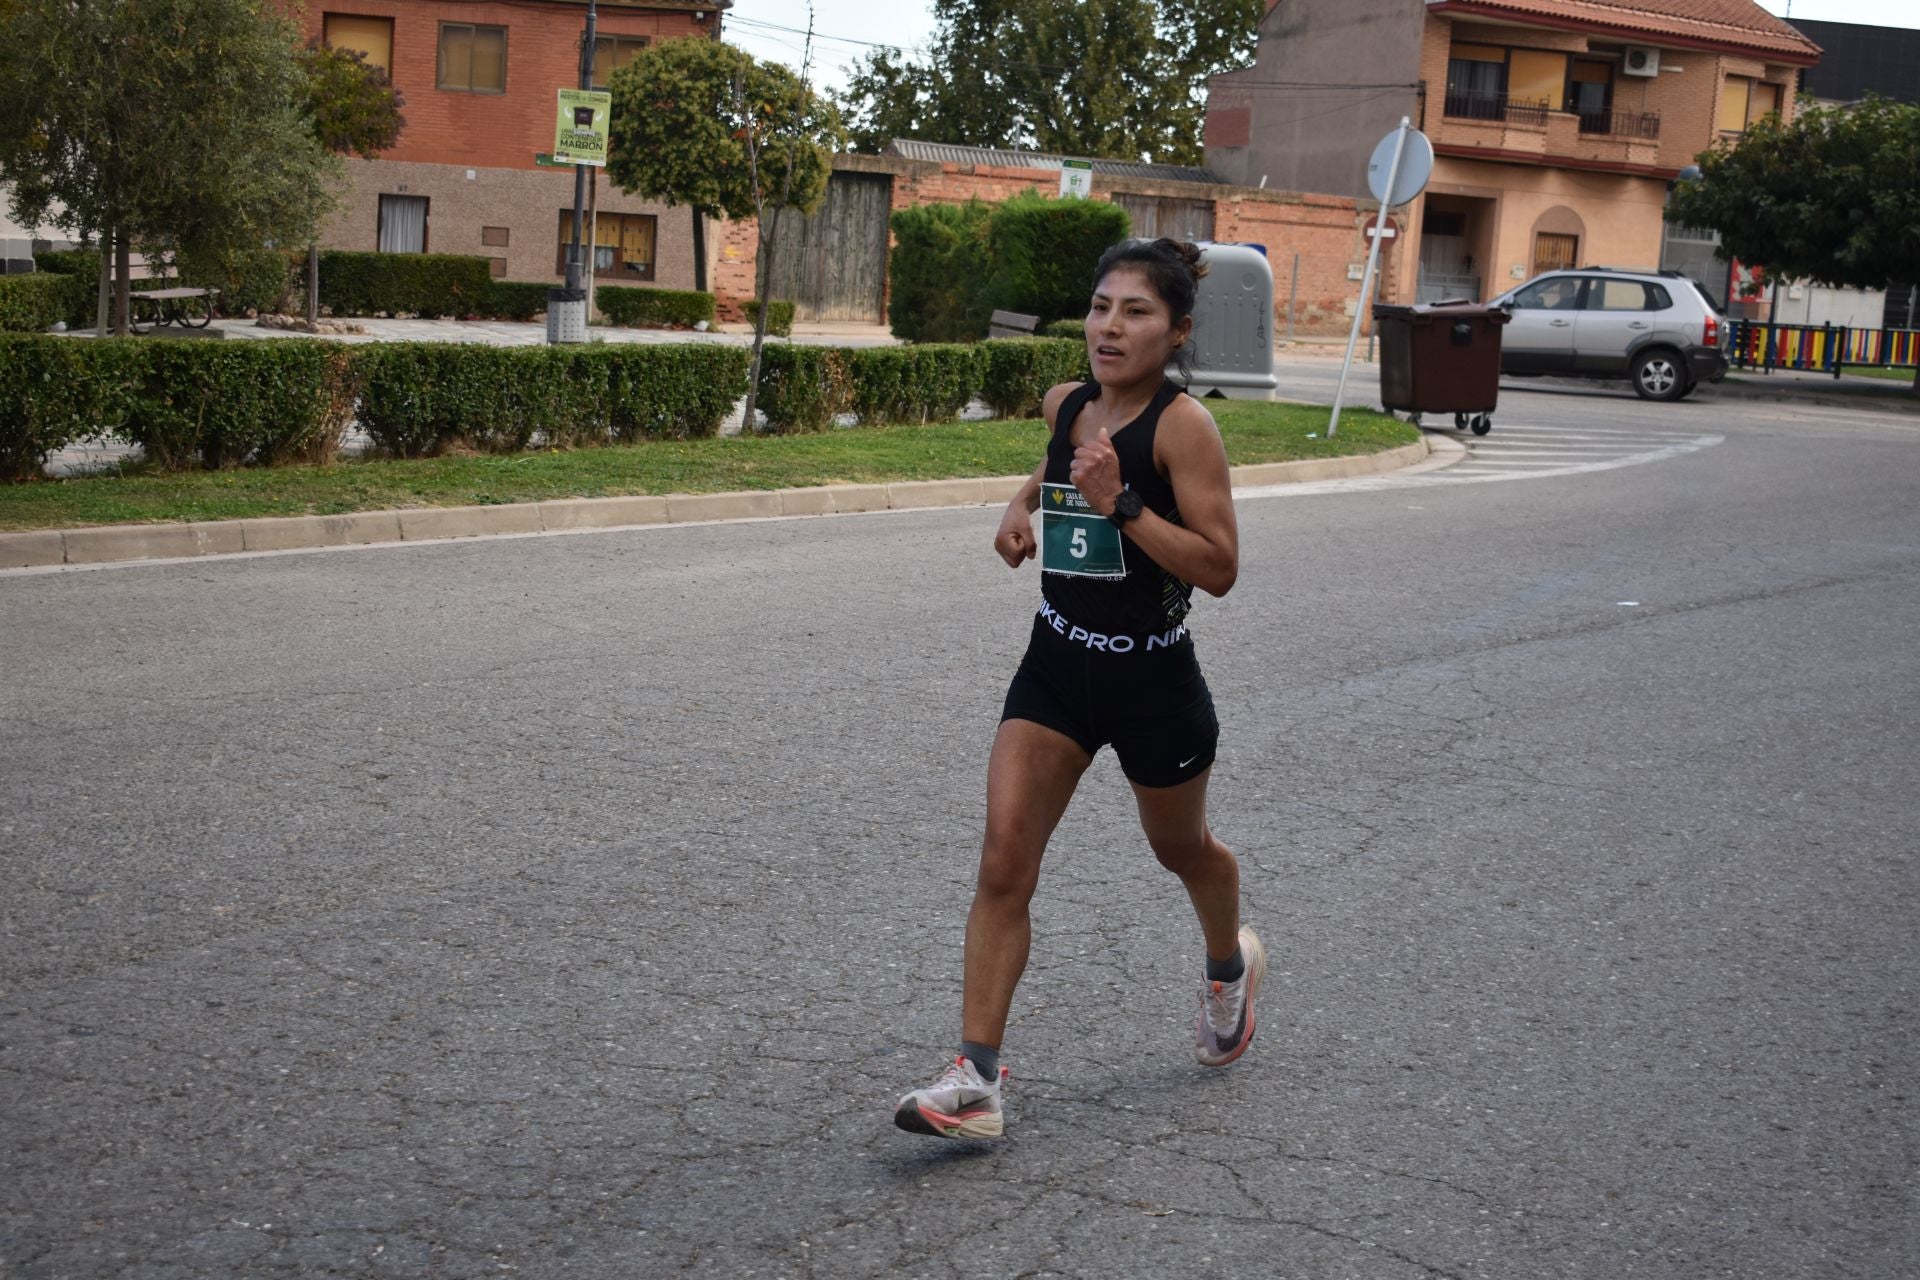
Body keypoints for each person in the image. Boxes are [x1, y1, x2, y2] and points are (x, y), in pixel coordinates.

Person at [894, 237, 1263, 1141]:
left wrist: (1123, 507)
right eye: (1101, 307)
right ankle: (976, 1082)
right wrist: (1019, 505)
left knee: (1183, 850)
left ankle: (1229, 966)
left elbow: (1219, 568)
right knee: (1003, 859)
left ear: (1176, 333)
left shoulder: (1184, 429)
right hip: (1058, 662)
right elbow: (1060, 464)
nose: (1110, 327)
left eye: (1136, 312)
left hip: (1153, 678)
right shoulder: (1067, 404)